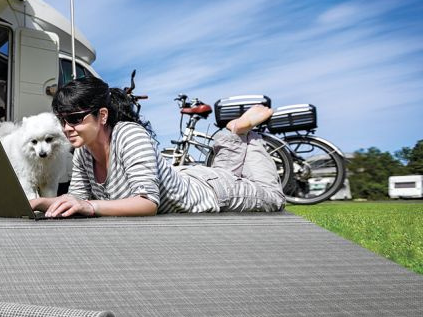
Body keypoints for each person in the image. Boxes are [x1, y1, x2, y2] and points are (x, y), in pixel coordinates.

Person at [29, 76, 285, 217]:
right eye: (62, 120)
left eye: (75, 118)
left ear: (102, 116)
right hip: (186, 177)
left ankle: (241, 129)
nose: (66, 127)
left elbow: (147, 202)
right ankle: (233, 133)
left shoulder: (129, 135)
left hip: (213, 193)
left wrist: (91, 206)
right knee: (226, 168)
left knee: (273, 198)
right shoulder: (83, 153)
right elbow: (75, 201)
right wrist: (37, 202)